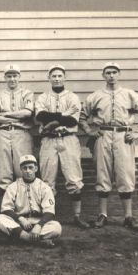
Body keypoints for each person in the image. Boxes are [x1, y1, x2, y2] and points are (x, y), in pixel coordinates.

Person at [79, 62, 138, 231]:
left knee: (125, 175)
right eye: (108, 72)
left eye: (114, 72)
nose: (111, 75)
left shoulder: (129, 94)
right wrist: (90, 131)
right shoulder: (95, 96)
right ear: (103, 75)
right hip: (103, 135)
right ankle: (102, 215)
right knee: (102, 175)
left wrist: (137, 132)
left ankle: (128, 216)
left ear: (119, 74)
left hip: (123, 136)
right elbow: (82, 117)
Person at [35, 64, 89, 229]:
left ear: (64, 77)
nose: (57, 78)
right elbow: (40, 116)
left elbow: (73, 120)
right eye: (54, 76)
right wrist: (60, 117)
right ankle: (48, 216)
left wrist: (52, 120)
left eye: (60, 76)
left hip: (68, 139)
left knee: (73, 178)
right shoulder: (43, 97)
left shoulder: (72, 97)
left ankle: (77, 216)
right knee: (47, 180)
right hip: (49, 140)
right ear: (49, 78)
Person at [0, 155, 62, 248]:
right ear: (21, 170)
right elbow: (5, 208)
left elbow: (50, 212)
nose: (28, 171)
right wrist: (20, 219)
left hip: (37, 222)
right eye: (24, 168)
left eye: (30, 167)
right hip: (19, 223)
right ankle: (34, 240)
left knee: (56, 228)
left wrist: (39, 226)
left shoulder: (44, 187)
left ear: (36, 168)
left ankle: (19, 238)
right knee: (0, 219)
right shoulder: (13, 186)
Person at [0, 63, 35, 191]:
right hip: (2, 133)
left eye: (15, 75)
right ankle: (6, 208)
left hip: (21, 133)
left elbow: (27, 112)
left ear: (19, 76)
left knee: (24, 168)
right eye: (9, 76)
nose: (12, 79)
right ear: (5, 78)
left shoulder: (27, 93)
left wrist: (6, 114)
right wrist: (17, 116)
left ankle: (25, 207)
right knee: (2, 172)